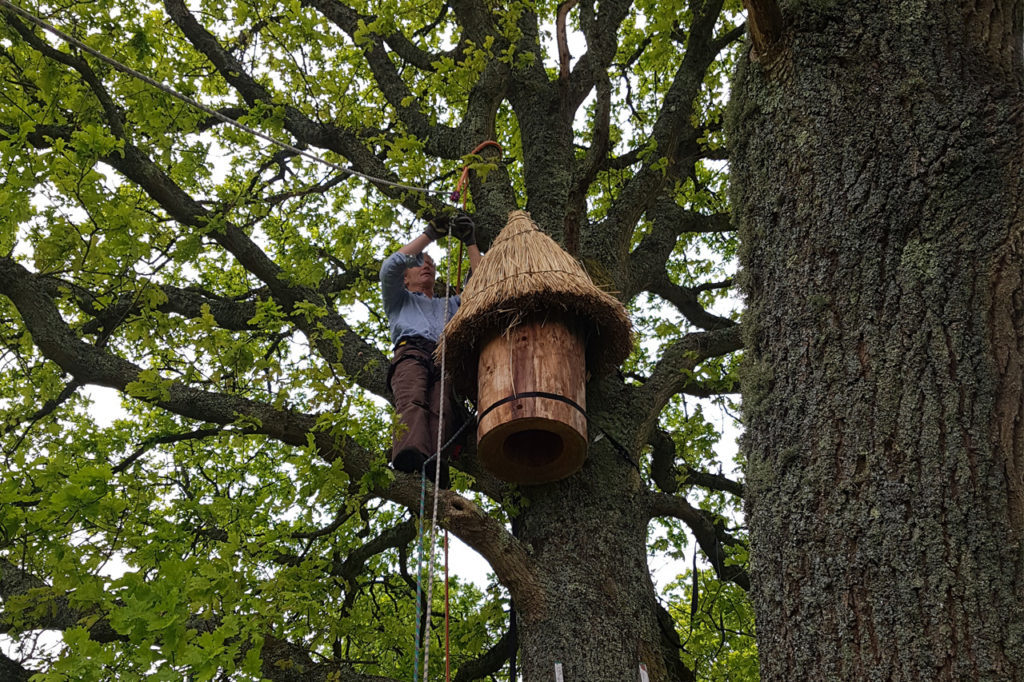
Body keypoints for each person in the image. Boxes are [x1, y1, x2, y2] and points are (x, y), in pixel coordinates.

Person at [380, 213, 481, 485]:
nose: (427, 267)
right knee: (412, 398)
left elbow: (482, 284)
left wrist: (471, 242)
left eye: (431, 265)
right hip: (411, 350)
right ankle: (410, 454)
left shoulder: (448, 305)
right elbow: (390, 266)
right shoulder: (399, 300)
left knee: (443, 407)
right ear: (406, 278)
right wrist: (430, 235)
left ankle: (436, 459)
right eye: (419, 264)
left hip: (443, 355)